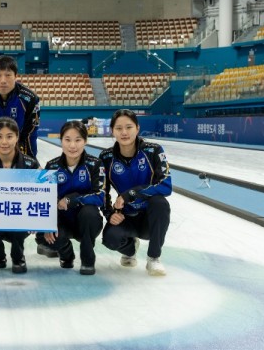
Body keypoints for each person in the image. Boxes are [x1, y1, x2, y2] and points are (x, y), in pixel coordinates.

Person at [0, 55, 49, 257]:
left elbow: (31, 133)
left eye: (8, 75)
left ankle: (43, 239)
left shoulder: (29, 98)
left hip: (21, 149)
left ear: (16, 76)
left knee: (35, 192)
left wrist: (30, 164)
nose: (3, 80)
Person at [99, 109, 171, 276]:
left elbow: (166, 185)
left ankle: (153, 258)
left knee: (160, 203)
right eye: (118, 128)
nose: (124, 132)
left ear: (137, 128)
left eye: (129, 127)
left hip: (149, 218)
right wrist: (110, 214)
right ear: (112, 131)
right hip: (126, 217)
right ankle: (130, 249)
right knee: (110, 239)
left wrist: (130, 193)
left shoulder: (153, 151)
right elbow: (102, 191)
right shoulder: (106, 157)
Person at [0, 116, 40, 274]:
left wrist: (36, 219)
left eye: (9, 136)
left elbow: (40, 196)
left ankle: (18, 256)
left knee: (19, 220)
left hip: (19, 217)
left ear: (17, 137)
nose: (4, 142)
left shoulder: (31, 165)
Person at [44, 121, 105, 275]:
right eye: (67, 140)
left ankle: (87, 259)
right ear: (61, 140)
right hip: (62, 221)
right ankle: (66, 254)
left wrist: (73, 200)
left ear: (85, 141)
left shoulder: (95, 165)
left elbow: (100, 196)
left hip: (86, 222)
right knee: (45, 237)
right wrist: (49, 224)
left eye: (78, 140)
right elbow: (45, 199)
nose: (72, 145)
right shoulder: (52, 167)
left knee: (89, 213)